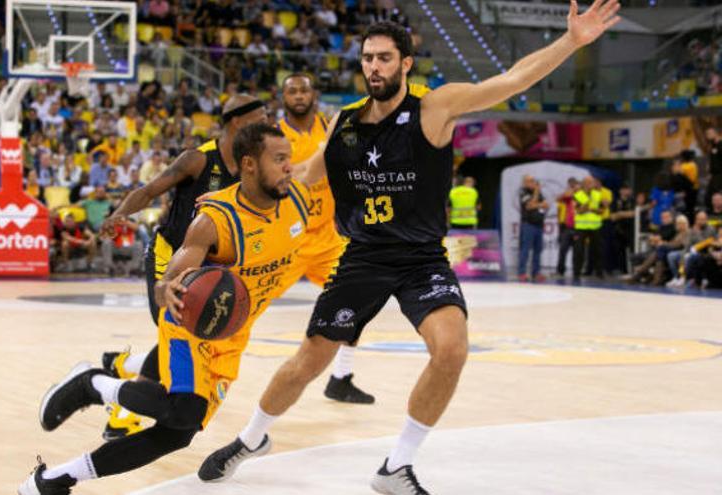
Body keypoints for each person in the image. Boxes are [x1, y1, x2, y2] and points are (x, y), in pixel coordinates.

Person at [200, 9, 621, 493]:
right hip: (362, 257)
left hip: (421, 258)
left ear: (406, 64)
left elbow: (511, 79)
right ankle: (252, 439)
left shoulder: (434, 108)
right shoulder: (346, 122)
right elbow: (303, 175)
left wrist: (570, 41)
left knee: (452, 349)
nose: (374, 67)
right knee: (307, 362)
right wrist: (234, 198)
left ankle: (397, 465)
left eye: (384, 58)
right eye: (367, 59)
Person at [18, 123, 310, 495]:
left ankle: (56, 479)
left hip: (231, 335)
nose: (289, 166)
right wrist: (165, 288)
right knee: (183, 411)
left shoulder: (297, 199)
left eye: (290, 158)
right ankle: (94, 383)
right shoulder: (215, 221)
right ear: (250, 165)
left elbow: (321, 162)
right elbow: (170, 279)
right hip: (190, 324)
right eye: (280, 159)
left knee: (178, 435)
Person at [94, 95, 268, 439]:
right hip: (169, 255)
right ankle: (121, 412)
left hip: (210, 264)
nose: (266, 124)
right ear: (237, 122)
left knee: (180, 333)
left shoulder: (254, 165)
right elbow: (149, 190)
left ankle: (122, 367)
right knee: (173, 329)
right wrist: (118, 214)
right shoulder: (198, 160)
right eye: (260, 118)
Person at [276, 72, 373, 403]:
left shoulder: (330, 127)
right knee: (242, 306)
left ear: (314, 94)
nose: (299, 95)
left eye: (304, 89)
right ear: (283, 97)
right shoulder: (275, 134)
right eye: (293, 91)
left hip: (328, 237)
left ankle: (341, 377)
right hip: (286, 239)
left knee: (356, 300)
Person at [572, 176, 604, 281]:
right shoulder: (577, 195)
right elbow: (578, 211)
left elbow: (601, 210)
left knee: (597, 250)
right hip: (581, 226)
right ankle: (576, 273)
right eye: (589, 183)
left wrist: (593, 209)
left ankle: (599, 273)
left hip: (595, 226)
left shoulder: (597, 194)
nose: (592, 185)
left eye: (592, 182)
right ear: (584, 184)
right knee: (579, 251)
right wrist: (586, 207)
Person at [517, 175, 548, 282]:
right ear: (525, 183)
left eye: (533, 181)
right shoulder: (523, 192)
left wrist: (537, 204)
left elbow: (546, 205)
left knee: (538, 250)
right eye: (530, 181)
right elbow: (529, 206)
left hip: (539, 225)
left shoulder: (539, 193)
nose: (533, 183)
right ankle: (522, 272)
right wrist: (536, 193)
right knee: (525, 249)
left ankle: (536, 273)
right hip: (528, 225)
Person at [556, 177, 579, 277]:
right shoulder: (567, 196)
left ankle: (576, 272)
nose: (572, 186)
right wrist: (572, 190)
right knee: (563, 249)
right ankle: (560, 270)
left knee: (577, 251)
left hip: (578, 226)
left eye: (574, 184)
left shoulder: (581, 196)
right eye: (570, 184)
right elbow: (559, 198)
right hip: (566, 226)